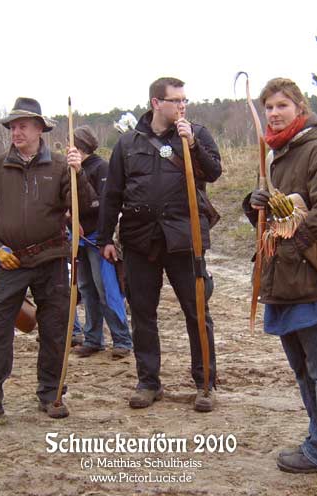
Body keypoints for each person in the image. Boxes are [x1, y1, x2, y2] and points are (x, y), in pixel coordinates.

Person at [0, 97, 93, 424]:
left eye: (22, 126)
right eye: (12, 126)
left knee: (55, 327)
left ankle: (50, 393)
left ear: (39, 129)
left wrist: (79, 172)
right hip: (10, 260)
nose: (16, 132)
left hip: (52, 258)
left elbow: (84, 205)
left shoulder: (61, 166)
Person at [98, 77, 222, 412]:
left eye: (184, 100)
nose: (182, 106)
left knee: (197, 311)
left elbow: (213, 174)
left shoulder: (197, 134)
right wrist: (105, 238)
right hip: (140, 240)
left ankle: (205, 383)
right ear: (156, 103)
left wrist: (193, 144)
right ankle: (148, 382)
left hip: (185, 238)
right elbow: (112, 195)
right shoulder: (128, 144)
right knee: (142, 314)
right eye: (175, 100)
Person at [243, 78, 317, 474]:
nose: (273, 113)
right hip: (281, 279)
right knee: (304, 370)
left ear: (299, 107)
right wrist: (255, 206)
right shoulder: (276, 154)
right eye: (268, 106)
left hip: (307, 280)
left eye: (282, 105)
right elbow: (272, 215)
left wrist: (289, 242)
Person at [70, 125, 133, 359]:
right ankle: (93, 338)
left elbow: (104, 204)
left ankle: (122, 340)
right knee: (86, 290)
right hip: (80, 240)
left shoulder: (101, 168)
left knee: (106, 289)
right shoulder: (71, 170)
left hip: (97, 238)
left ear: (79, 145)